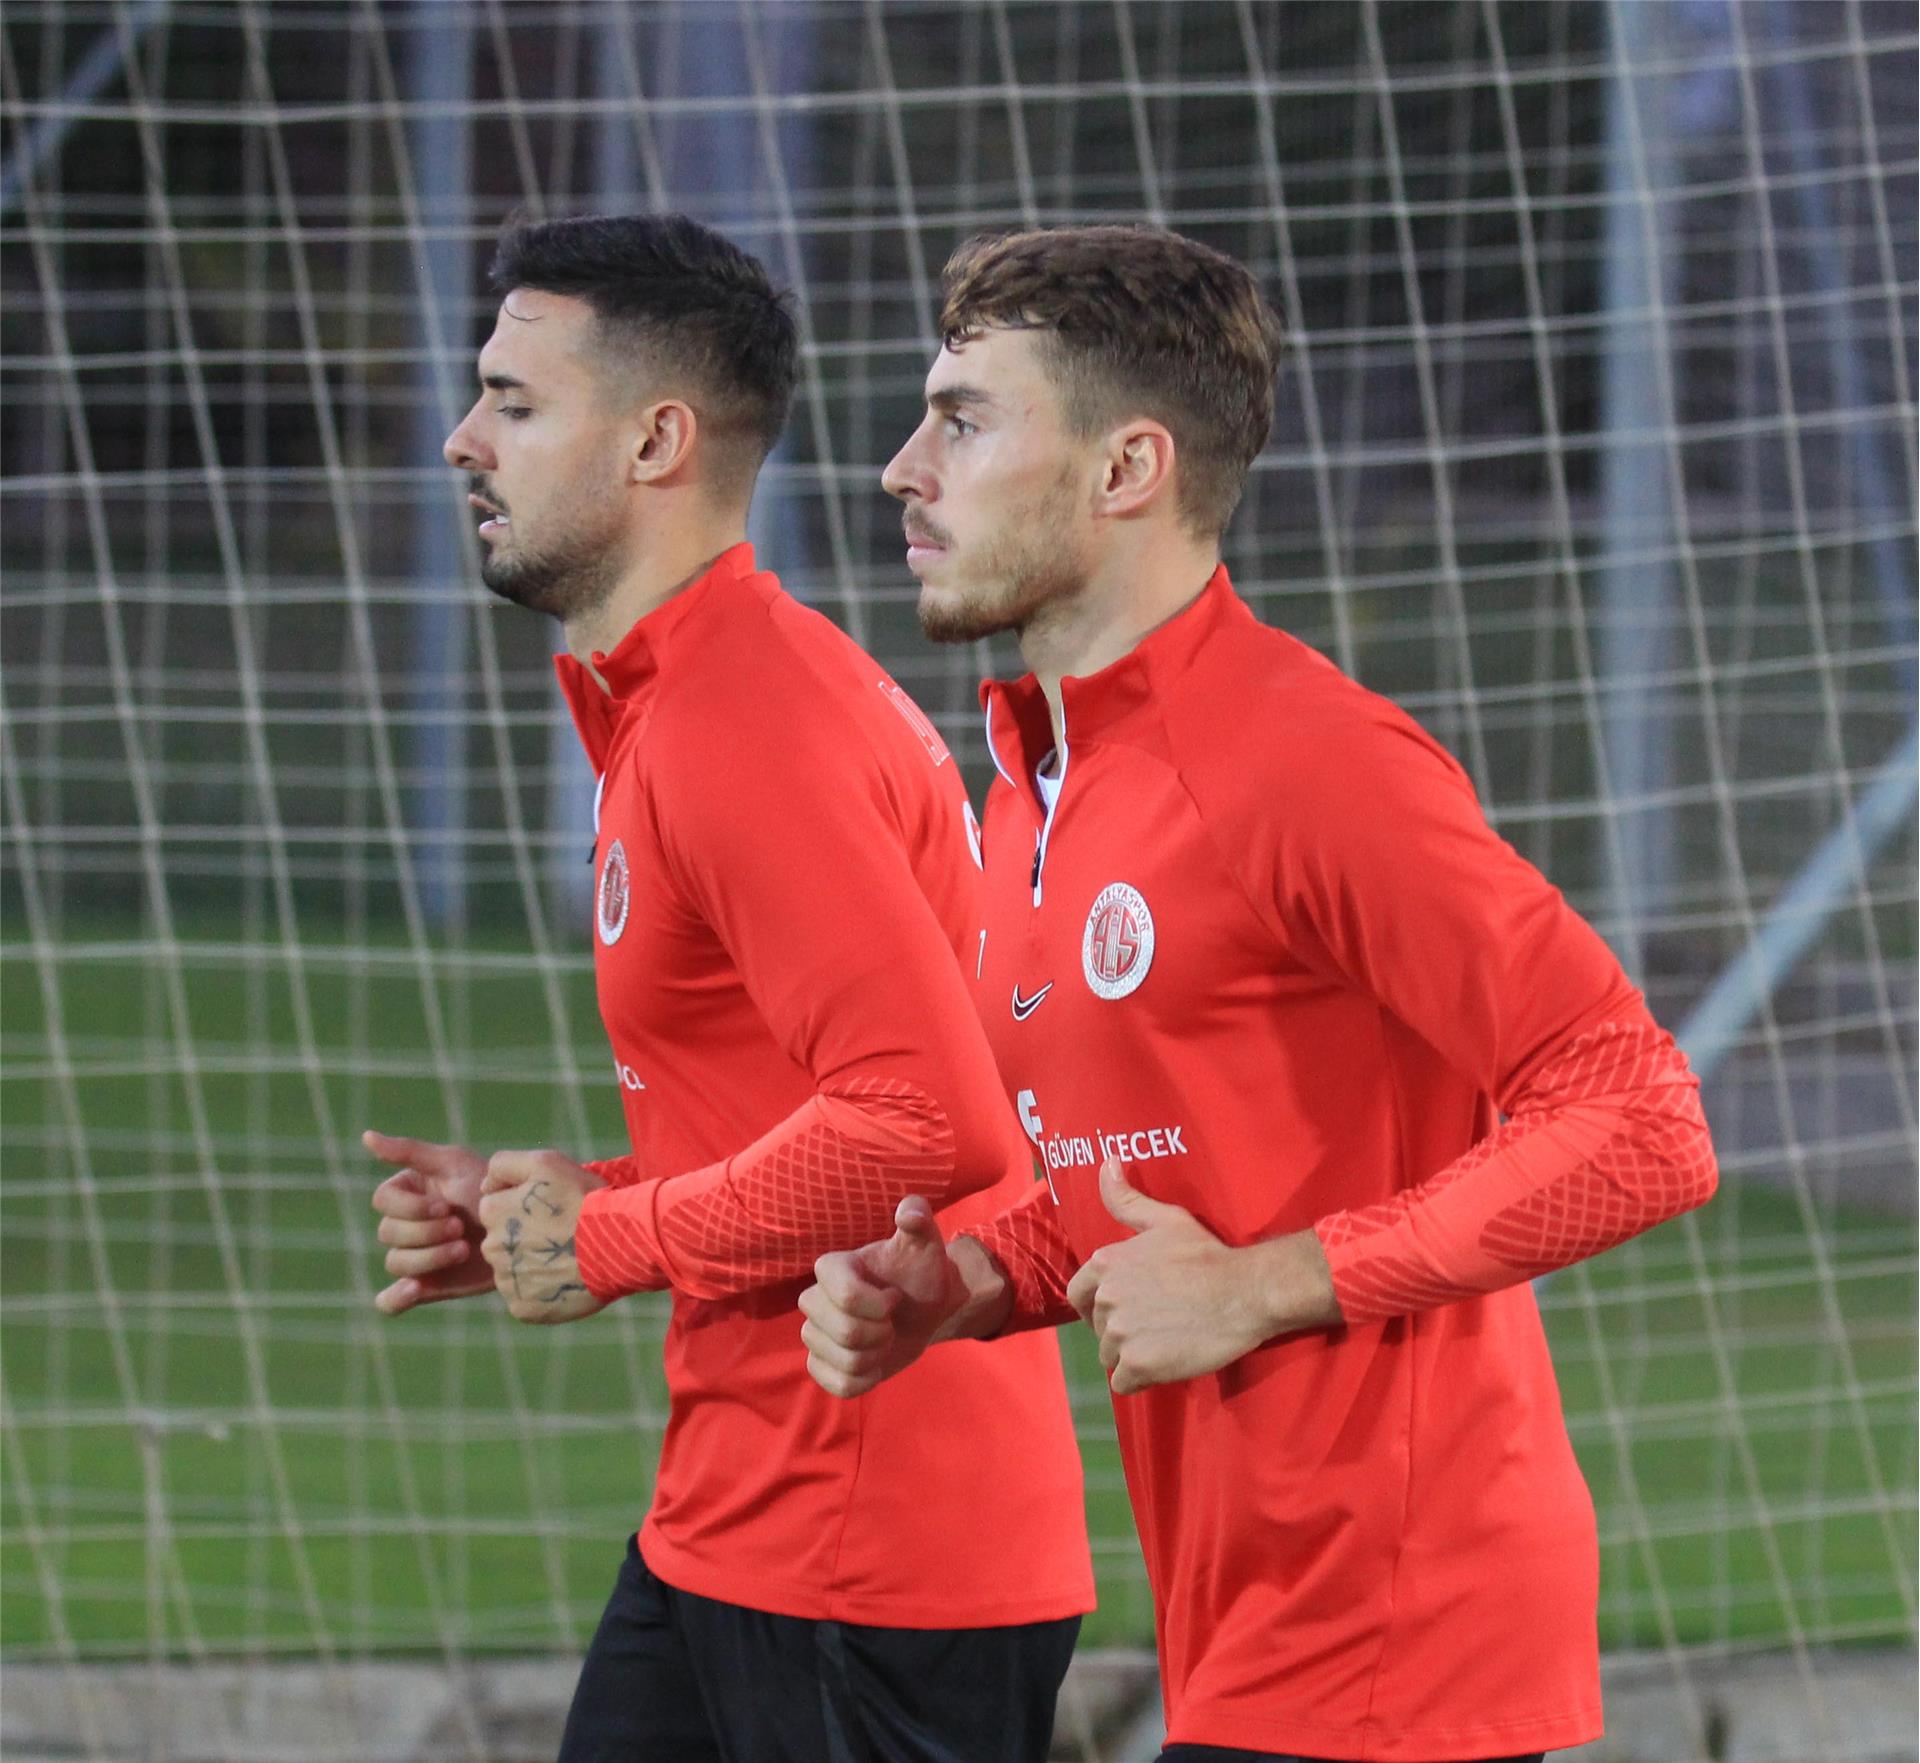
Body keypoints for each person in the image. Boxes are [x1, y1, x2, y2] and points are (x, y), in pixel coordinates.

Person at [799, 225, 1720, 1763]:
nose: (904, 468)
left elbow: (1642, 1121)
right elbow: (1154, 1179)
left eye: (962, 420)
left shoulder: (1308, 759)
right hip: (1245, 1625)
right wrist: (969, 1283)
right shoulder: (1034, 784)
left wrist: (1268, 1287)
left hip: (1403, 1632)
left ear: (1127, 468)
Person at [366, 213, 1092, 1763]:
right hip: (739, 1522)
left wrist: (609, 1240)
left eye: (513, 401)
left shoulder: (739, 726)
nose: (462, 439)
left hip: (870, 1554)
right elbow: (800, 1112)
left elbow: (927, 1125)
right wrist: (571, 1203)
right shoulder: (687, 698)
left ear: (656, 443)